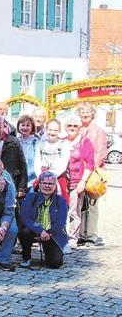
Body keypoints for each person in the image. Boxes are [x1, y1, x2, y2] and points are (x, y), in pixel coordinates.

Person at [18, 171, 67, 269]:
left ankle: (51, 252)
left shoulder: (61, 201)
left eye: (50, 184)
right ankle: (26, 257)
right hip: (33, 230)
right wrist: (40, 231)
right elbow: (25, 217)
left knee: (55, 263)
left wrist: (48, 232)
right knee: (24, 231)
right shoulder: (31, 197)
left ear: (54, 185)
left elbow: (61, 222)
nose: (47, 186)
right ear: (39, 185)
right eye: (44, 183)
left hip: (52, 233)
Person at [77, 103, 108, 247]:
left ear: (93, 113)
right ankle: (80, 234)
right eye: (82, 111)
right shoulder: (77, 129)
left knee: (92, 203)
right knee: (79, 204)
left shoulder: (98, 131)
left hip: (93, 172)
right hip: (78, 171)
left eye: (87, 111)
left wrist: (90, 169)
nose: (85, 114)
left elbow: (101, 153)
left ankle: (90, 235)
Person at [64, 115, 94, 251]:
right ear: (65, 127)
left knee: (74, 211)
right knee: (62, 210)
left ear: (79, 127)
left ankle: (73, 238)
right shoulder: (62, 141)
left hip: (77, 182)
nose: (72, 128)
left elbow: (90, 163)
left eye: (75, 126)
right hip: (63, 182)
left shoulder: (84, 142)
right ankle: (61, 236)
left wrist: (83, 181)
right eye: (69, 125)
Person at [0, 113, 27, 198]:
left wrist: (22, 188)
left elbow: (22, 164)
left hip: (11, 182)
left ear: (3, 124)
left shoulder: (14, 141)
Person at [33, 118, 70, 200]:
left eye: (55, 130)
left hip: (58, 176)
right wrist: (41, 176)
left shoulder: (64, 144)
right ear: (46, 130)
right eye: (50, 130)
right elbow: (37, 162)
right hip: (43, 175)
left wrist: (52, 177)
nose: (52, 133)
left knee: (59, 198)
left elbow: (64, 164)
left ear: (59, 131)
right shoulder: (41, 144)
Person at [16, 114, 39, 187]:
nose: (25, 128)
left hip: (31, 179)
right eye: (22, 125)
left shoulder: (36, 142)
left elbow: (38, 162)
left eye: (28, 125)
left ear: (32, 127)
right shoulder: (15, 141)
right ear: (18, 126)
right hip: (17, 179)